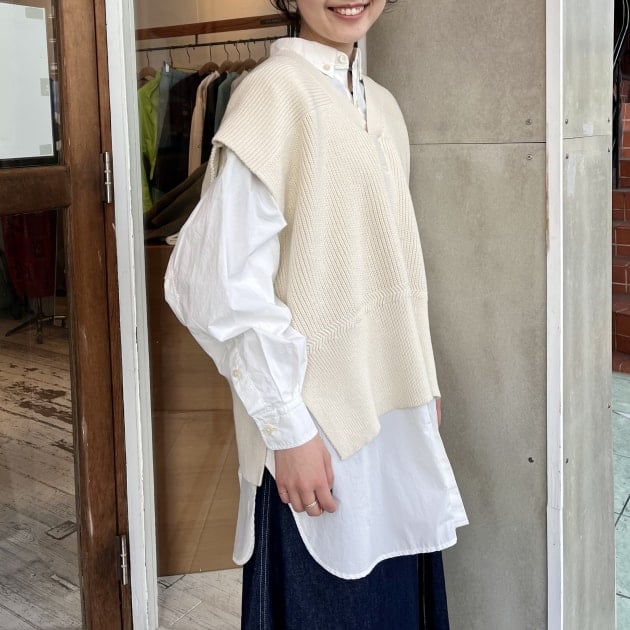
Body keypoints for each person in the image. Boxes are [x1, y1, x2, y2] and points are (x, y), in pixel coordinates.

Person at [164, 1, 468, 627]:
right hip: (320, 436)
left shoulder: (382, 106)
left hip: (395, 425)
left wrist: (423, 380)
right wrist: (289, 431)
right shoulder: (274, 93)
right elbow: (213, 280)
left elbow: (397, 266)